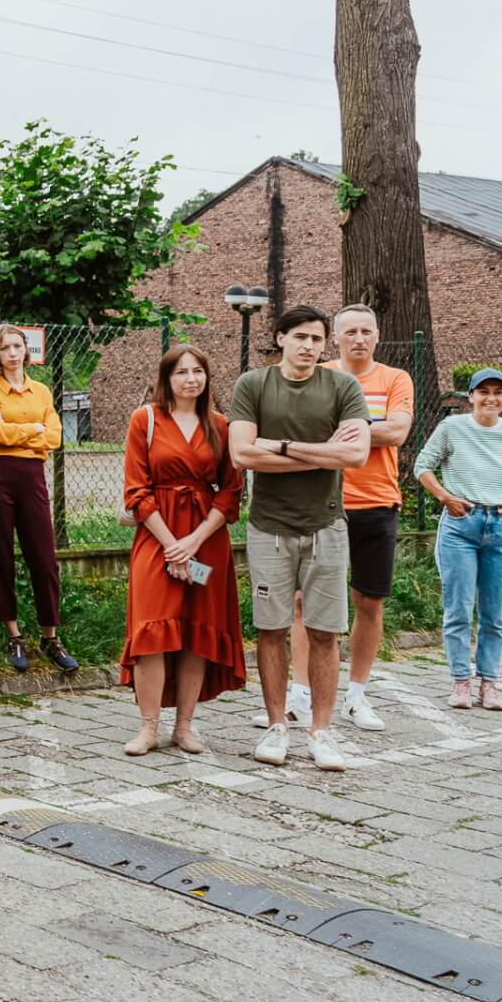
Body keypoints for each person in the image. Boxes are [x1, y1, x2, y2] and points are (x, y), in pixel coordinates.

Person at [227, 304, 370, 771]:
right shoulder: (253, 385)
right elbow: (242, 454)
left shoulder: (342, 386)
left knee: (324, 632)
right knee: (271, 629)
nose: (310, 346)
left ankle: (321, 732)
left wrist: (281, 445)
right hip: (269, 526)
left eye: (317, 338)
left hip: (327, 525)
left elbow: (356, 455)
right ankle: (276, 726)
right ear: (281, 337)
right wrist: (324, 453)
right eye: (301, 337)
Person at [284, 304, 410, 732]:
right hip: (324, 503)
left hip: (377, 502)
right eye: (350, 331)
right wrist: (354, 433)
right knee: (304, 603)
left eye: (366, 331)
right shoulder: (320, 377)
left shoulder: (395, 379)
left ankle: (356, 696)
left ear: (377, 335)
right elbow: (305, 432)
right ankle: (300, 695)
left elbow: (397, 431)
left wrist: (342, 431)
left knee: (368, 602)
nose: (359, 338)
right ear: (334, 338)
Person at [119, 346, 246, 756]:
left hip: (206, 540)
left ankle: (185, 727)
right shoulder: (147, 420)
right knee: (152, 630)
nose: (191, 379)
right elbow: (136, 490)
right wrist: (172, 544)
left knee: (196, 629)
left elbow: (230, 492)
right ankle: (148, 727)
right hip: (158, 538)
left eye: (198, 372)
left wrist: (194, 540)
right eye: (181, 372)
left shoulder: (221, 425)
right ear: (166, 378)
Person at [0, 324, 76, 673]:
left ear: (26, 350)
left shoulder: (41, 391)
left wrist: (20, 434)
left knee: (44, 558)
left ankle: (51, 637)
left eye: (18, 346)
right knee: (0, 555)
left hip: (32, 478)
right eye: (5, 348)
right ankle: (14, 635)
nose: (13, 353)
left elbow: (55, 436)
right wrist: (33, 430)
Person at [413, 368, 502, 712]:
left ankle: (489, 684)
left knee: (495, 613)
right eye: (482, 391)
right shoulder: (452, 428)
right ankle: (460, 681)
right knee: (458, 609)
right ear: (470, 396)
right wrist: (445, 497)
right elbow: (422, 466)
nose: (490, 398)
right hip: (461, 526)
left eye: (497, 392)